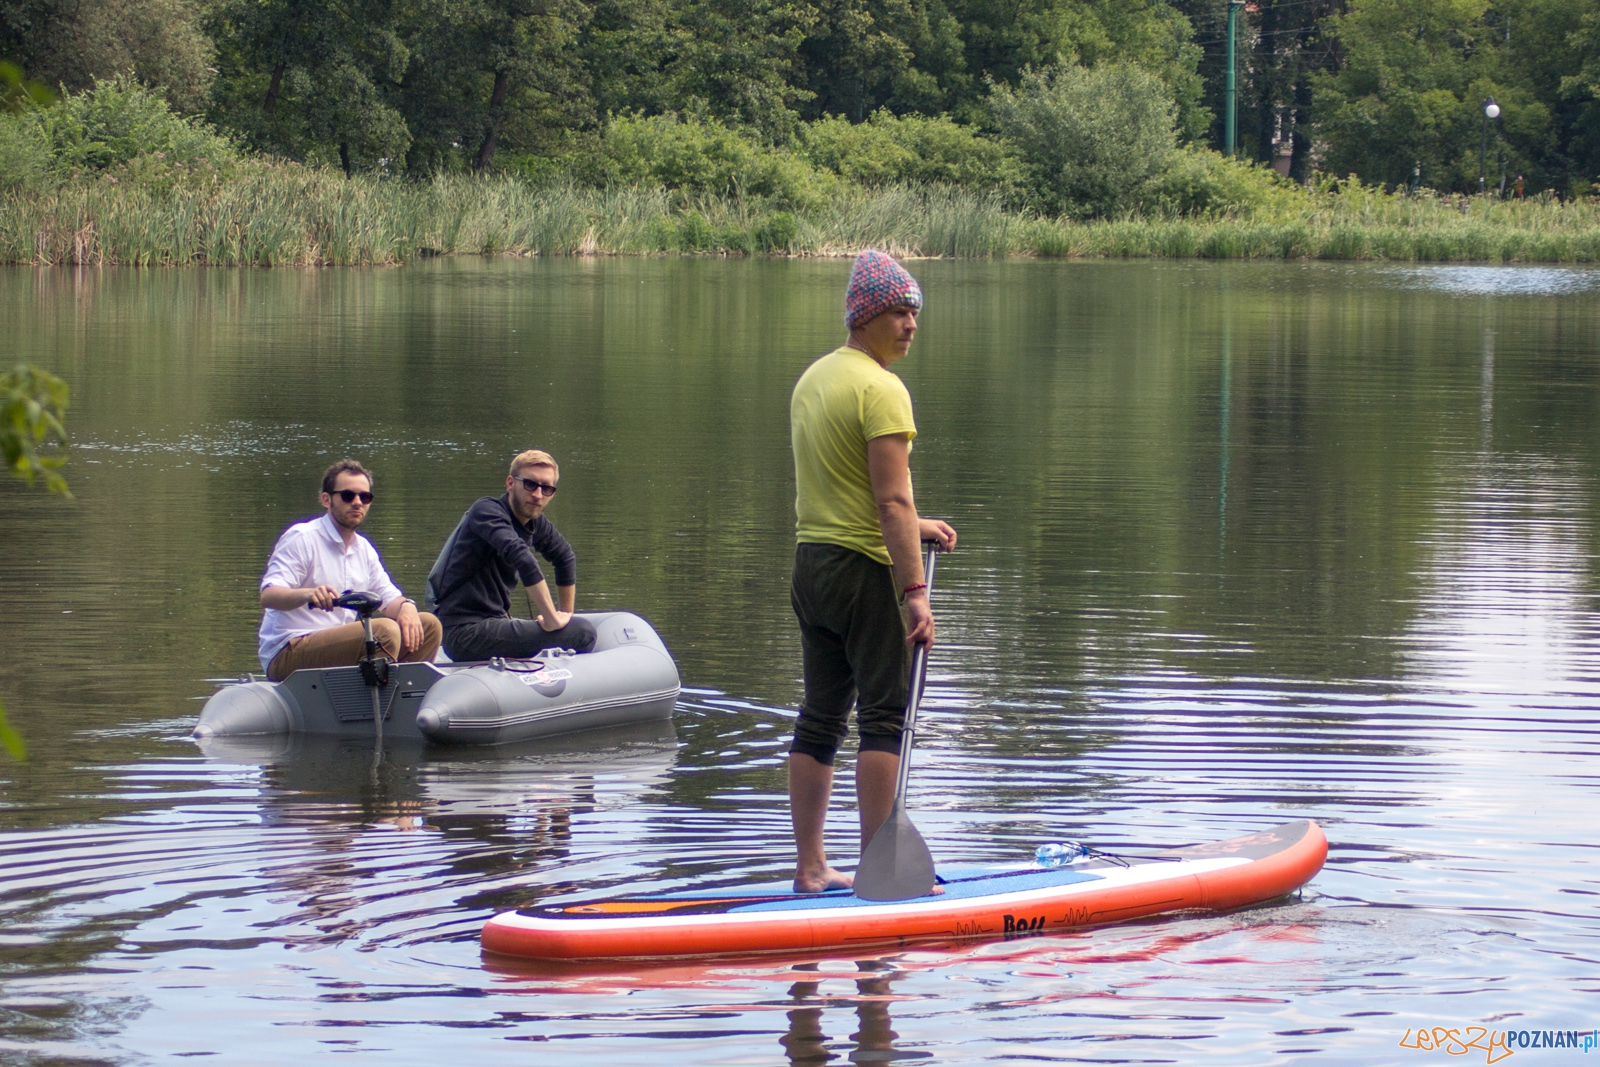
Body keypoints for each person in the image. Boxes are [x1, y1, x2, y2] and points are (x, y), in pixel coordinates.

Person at [787, 249, 957, 893]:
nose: (911, 324)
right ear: (864, 316)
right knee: (885, 718)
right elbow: (890, 500)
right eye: (898, 311)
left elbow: (842, 487)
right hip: (863, 571)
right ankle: (877, 875)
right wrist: (914, 591)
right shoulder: (883, 389)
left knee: (820, 717)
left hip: (813, 566)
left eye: (915, 312)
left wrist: (914, 527)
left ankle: (811, 870)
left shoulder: (816, 378)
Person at [258, 459, 443, 681]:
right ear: (326, 500)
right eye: (348, 496)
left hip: (334, 647)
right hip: (289, 650)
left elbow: (389, 598)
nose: (357, 502)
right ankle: (372, 705)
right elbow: (269, 596)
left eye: (365, 497)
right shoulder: (302, 537)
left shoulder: (363, 549)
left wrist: (407, 607)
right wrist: (308, 593)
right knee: (384, 631)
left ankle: (399, 700)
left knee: (429, 626)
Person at [431, 449, 597, 661]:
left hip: (496, 622)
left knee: (575, 627)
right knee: (583, 632)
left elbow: (564, 557)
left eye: (546, 488)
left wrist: (565, 616)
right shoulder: (487, 511)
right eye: (530, 484)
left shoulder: (534, 522)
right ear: (511, 483)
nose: (537, 495)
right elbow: (522, 559)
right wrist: (552, 621)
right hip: (464, 633)